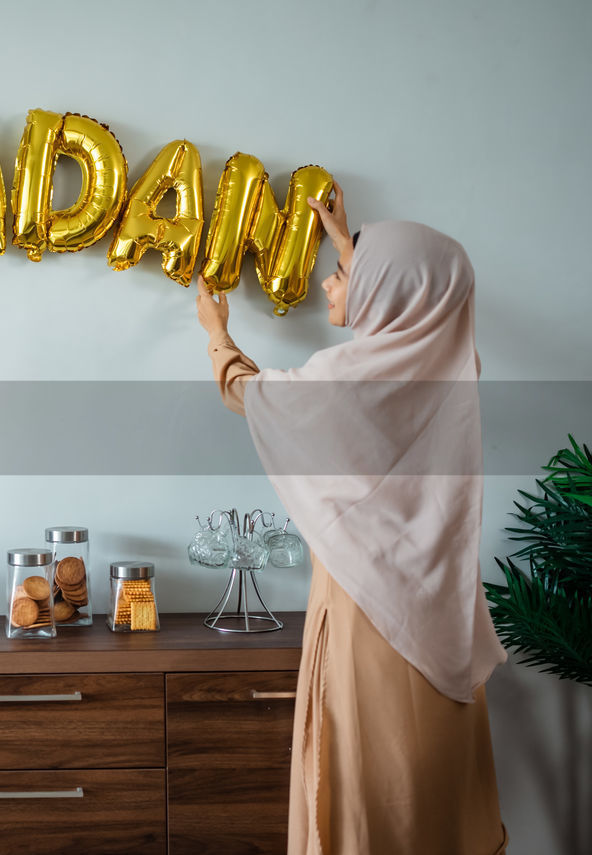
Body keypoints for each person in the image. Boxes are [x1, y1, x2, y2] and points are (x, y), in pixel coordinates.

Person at [195, 185, 509, 854]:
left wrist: (218, 335)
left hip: (366, 624)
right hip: (439, 628)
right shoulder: (452, 371)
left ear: (383, 293)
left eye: (341, 275)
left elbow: (252, 397)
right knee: (432, 809)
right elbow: (422, 295)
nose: (331, 286)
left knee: (366, 795)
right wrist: (349, 243)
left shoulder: (344, 379)